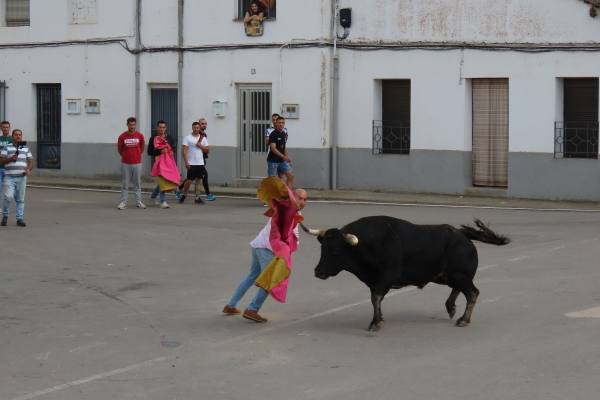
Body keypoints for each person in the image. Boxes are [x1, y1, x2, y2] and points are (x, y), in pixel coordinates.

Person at [223, 179, 307, 322]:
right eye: (300, 198)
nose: (303, 201)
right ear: (293, 196)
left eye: (305, 199)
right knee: (271, 280)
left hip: (258, 245)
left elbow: (293, 233)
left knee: (251, 276)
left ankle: (230, 305)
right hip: (266, 249)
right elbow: (281, 233)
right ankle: (252, 309)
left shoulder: (288, 210)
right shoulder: (284, 209)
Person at [0, 129, 33, 227]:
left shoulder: (25, 148)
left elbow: (31, 161)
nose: (18, 136)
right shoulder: (6, 148)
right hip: (8, 177)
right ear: (12, 136)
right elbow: (1, 161)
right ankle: (5, 216)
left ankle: (19, 219)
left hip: (22, 177)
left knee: (20, 199)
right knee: (8, 197)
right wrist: (10, 159)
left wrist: (28, 169)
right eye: (16, 135)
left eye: (20, 135)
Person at [179, 119, 215, 204]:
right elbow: (184, 150)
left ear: (199, 129)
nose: (196, 129)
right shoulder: (187, 138)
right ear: (192, 128)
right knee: (189, 181)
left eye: (197, 128)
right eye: (194, 127)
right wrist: (186, 162)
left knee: (199, 180)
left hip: (200, 163)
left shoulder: (203, 138)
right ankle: (184, 195)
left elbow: (207, 150)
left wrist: (201, 146)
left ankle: (197, 198)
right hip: (191, 163)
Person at [148, 121, 181, 205]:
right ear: (157, 128)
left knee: (166, 180)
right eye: (160, 127)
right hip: (159, 163)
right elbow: (149, 152)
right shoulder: (153, 138)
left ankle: (153, 196)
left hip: (169, 162)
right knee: (163, 181)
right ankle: (163, 201)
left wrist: (171, 150)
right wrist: (160, 151)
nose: (161, 129)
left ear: (166, 128)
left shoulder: (169, 137)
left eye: (163, 127)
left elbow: (173, 146)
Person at [117, 117, 145, 210]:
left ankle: (138, 202)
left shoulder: (140, 136)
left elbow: (142, 147)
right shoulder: (122, 136)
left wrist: (136, 155)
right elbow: (120, 150)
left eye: (133, 124)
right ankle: (123, 202)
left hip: (137, 163)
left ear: (135, 125)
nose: (132, 126)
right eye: (130, 124)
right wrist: (126, 156)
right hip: (126, 163)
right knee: (125, 184)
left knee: (137, 184)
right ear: (127, 125)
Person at [267, 116, 294, 187]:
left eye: (283, 123)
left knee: (290, 176)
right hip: (273, 161)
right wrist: (283, 157)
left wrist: (287, 158)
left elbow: (283, 147)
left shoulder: (284, 133)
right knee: (273, 181)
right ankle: (273, 197)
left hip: (282, 161)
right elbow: (273, 148)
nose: (281, 124)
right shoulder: (273, 134)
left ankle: (288, 194)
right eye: (279, 123)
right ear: (276, 123)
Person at [0, 121, 12, 193]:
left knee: (8, 193)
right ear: (1, 128)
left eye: (7, 127)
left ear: (9, 128)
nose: (5, 129)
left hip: (9, 168)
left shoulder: (13, 139)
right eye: (4, 127)